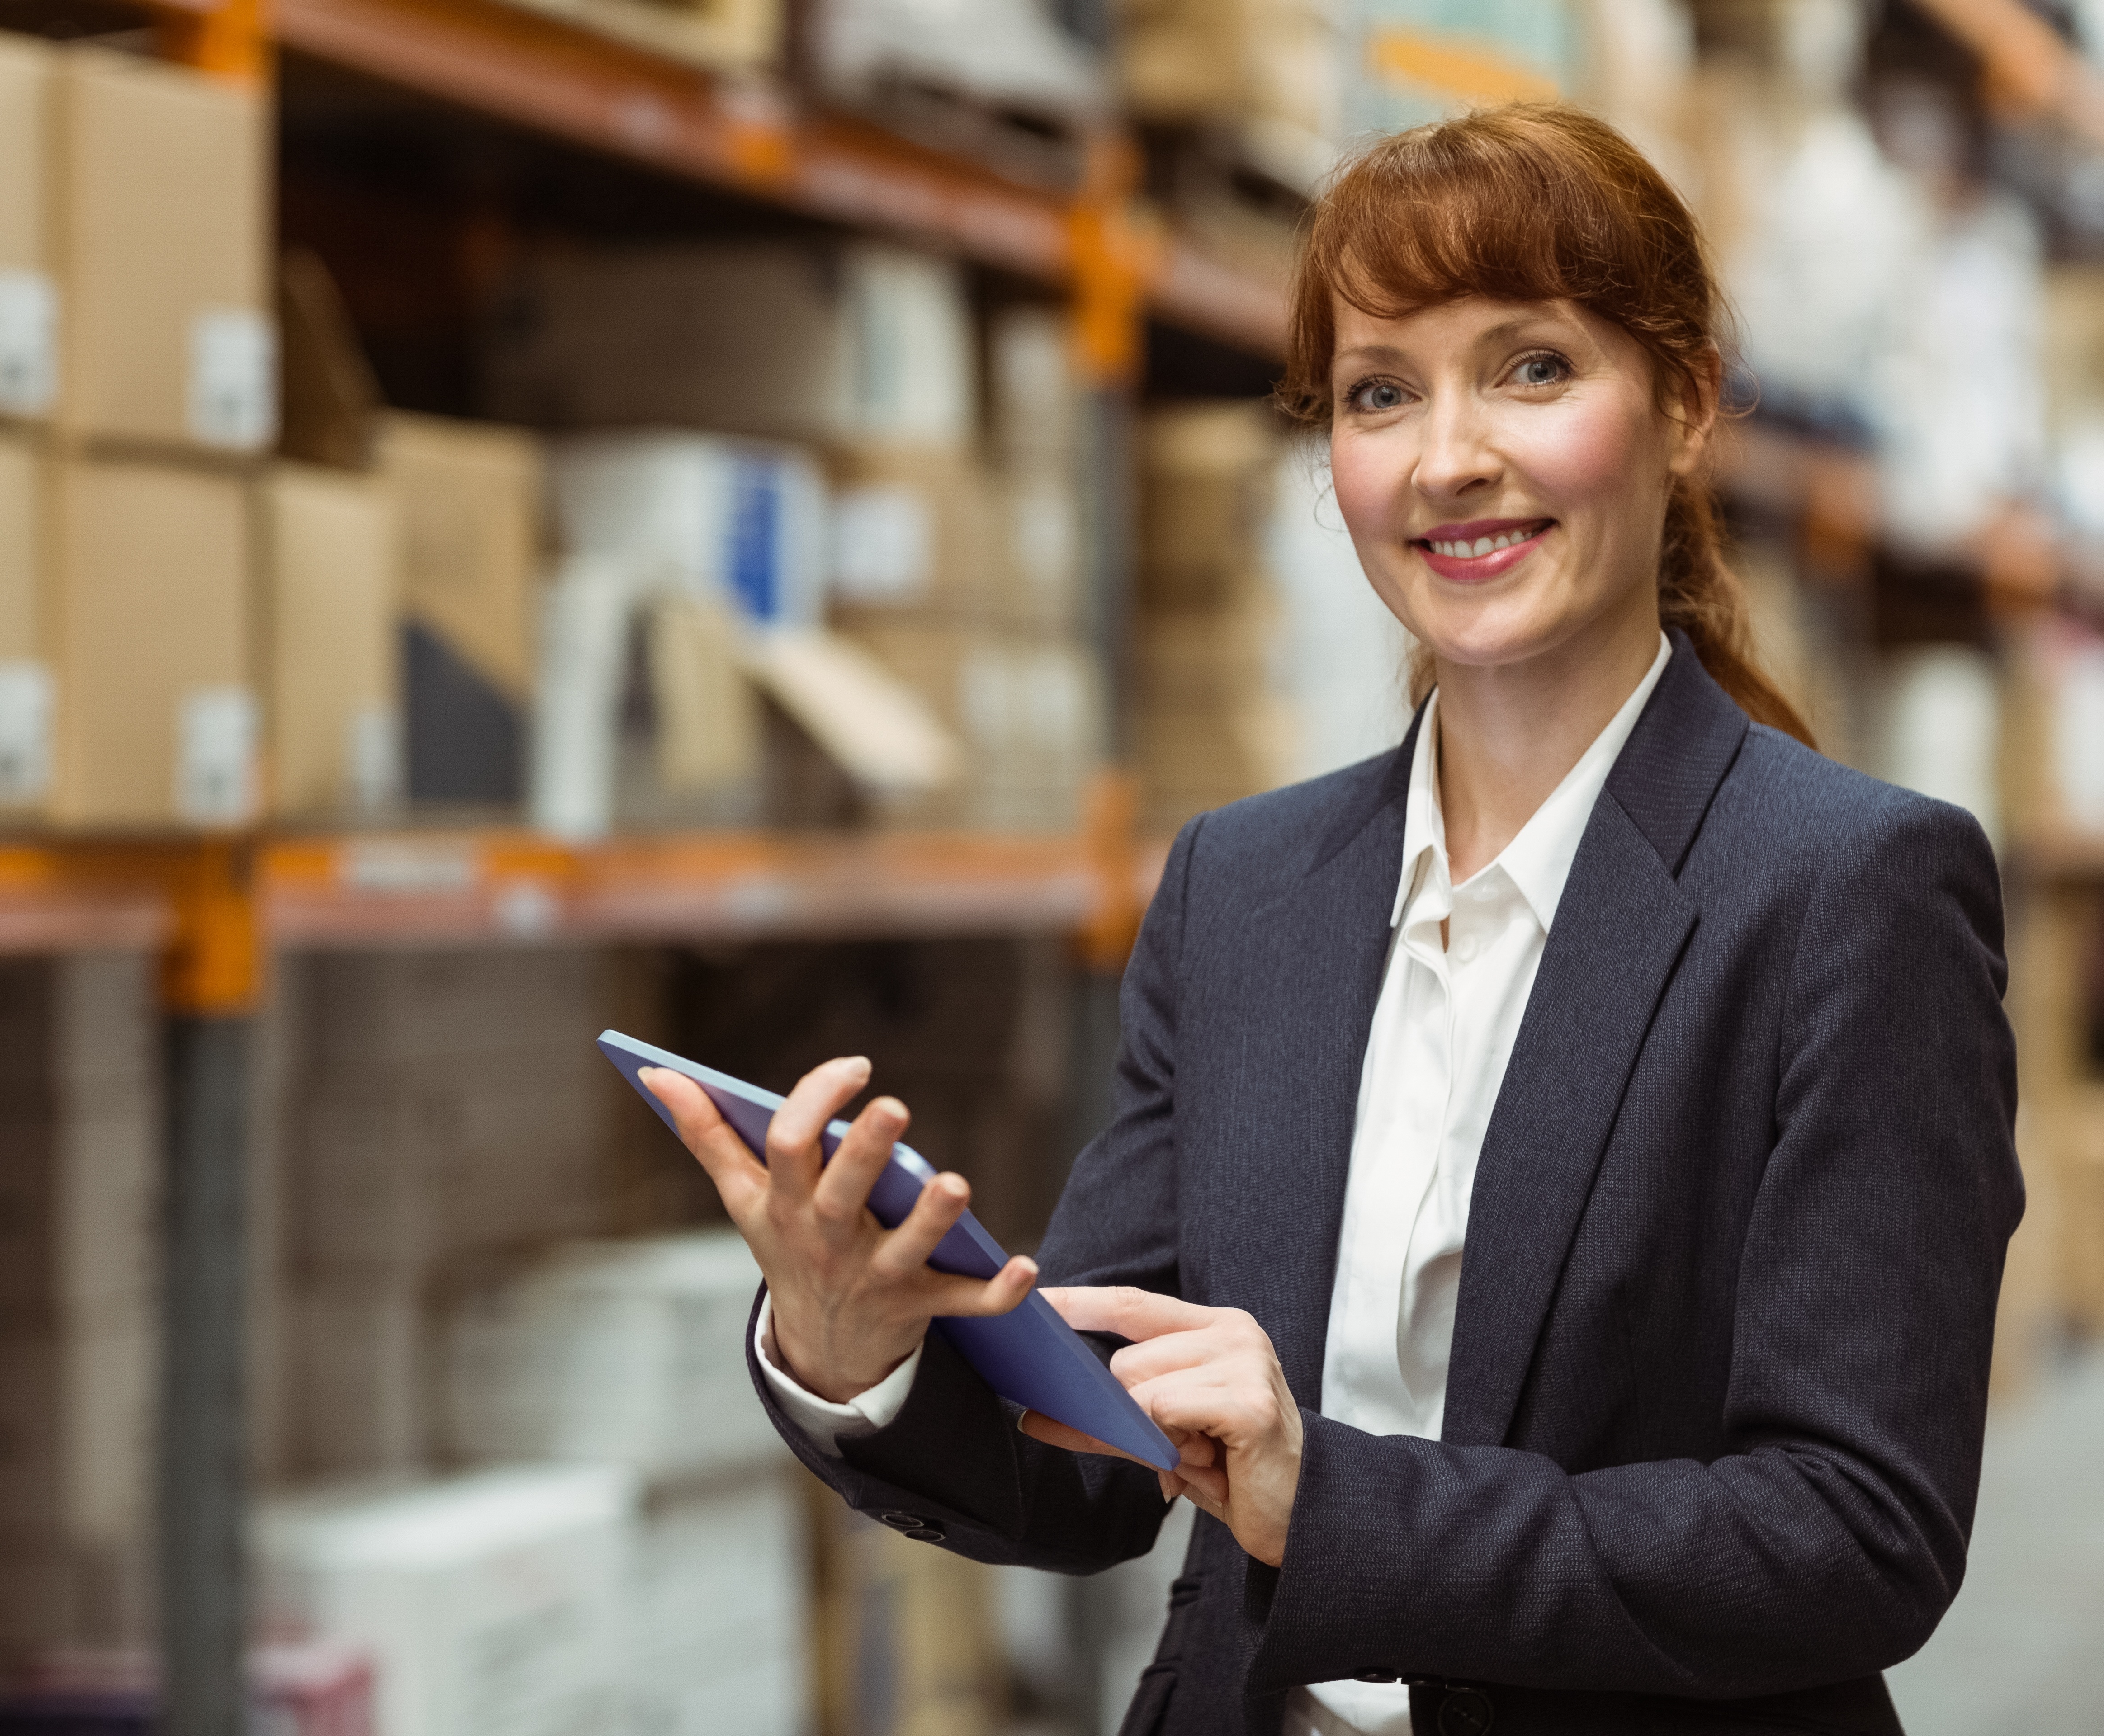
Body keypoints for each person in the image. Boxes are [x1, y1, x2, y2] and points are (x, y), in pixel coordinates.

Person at [642, 104, 2019, 1736]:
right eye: (1381, 393)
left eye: (1531, 369)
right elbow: (1093, 1460)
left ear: (1688, 404)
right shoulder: (1244, 890)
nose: (1448, 458)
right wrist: (852, 1341)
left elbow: (1854, 1533)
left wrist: (1327, 1501)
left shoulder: (1849, 892)